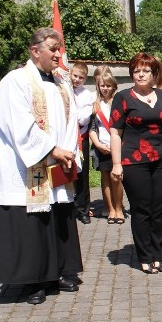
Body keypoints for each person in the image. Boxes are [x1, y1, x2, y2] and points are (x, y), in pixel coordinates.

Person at [0, 27, 83, 305]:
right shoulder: (15, 81)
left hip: (57, 164)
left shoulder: (62, 83)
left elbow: (72, 121)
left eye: (60, 48)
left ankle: (56, 272)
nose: (59, 54)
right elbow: (18, 124)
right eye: (53, 49)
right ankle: (33, 280)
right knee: (33, 223)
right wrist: (50, 149)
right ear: (35, 51)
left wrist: (67, 152)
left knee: (57, 217)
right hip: (26, 166)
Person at [110, 52, 162, 274]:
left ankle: (158, 253)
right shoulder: (123, 97)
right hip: (133, 162)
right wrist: (117, 163)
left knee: (159, 210)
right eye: (136, 70)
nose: (140, 74)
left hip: (160, 160)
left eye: (145, 70)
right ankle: (145, 256)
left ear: (153, 73)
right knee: (142, 210)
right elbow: (115, 132)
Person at [88, 67, 124, 224]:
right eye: (102, 86)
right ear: (98, 86)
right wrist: (97, 144)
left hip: (117, 147)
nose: (105, 89)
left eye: (108, 86)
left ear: (114, 86)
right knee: (105, 178)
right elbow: (92, 127)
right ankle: (109, 209)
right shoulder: (95, 104)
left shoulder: (119, 102)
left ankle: (119, 208)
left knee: (116, 177)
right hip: (101, 146)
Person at [70, 62, 96, 223]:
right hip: (63, 138)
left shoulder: (87, 95)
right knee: (64, 174)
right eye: (75, 76)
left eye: (81, 77)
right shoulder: (61, 89)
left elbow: (83, 118)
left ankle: (83, 210)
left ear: (85, 79)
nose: (77, 79)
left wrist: (72, 115)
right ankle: (67, 208)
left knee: (82, 175)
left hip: (81, 138)